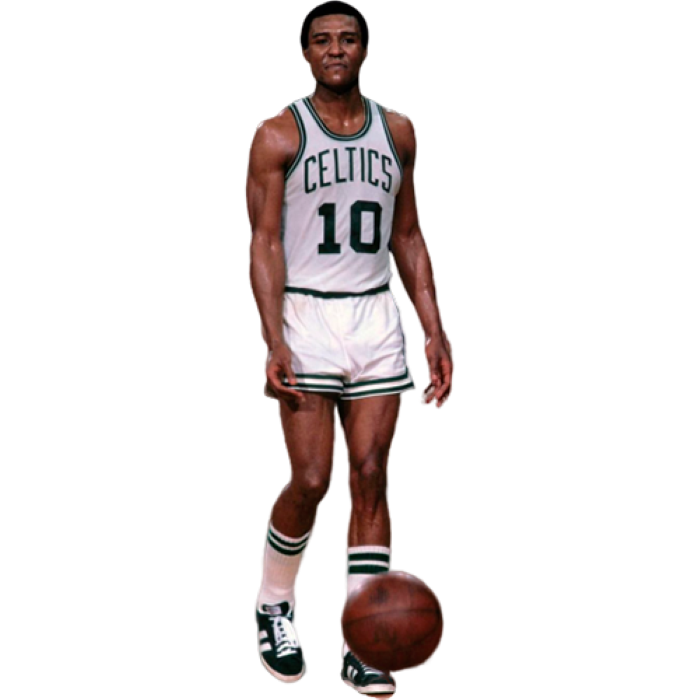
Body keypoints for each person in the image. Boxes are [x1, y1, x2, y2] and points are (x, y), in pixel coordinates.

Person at [246, 1, 454, 694]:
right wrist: (273, 336)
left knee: (371, 474)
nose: (336, 49)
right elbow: (264, 242)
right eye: (322, 40)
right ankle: (275, 602)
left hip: (373, 316)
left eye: (348, 39)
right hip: (307, 312)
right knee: (312, 479)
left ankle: (364, 639)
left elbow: (409, 234)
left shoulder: (399, 131)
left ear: (366, 50)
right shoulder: (278, 133)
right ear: (305, 54)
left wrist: (434, 328)